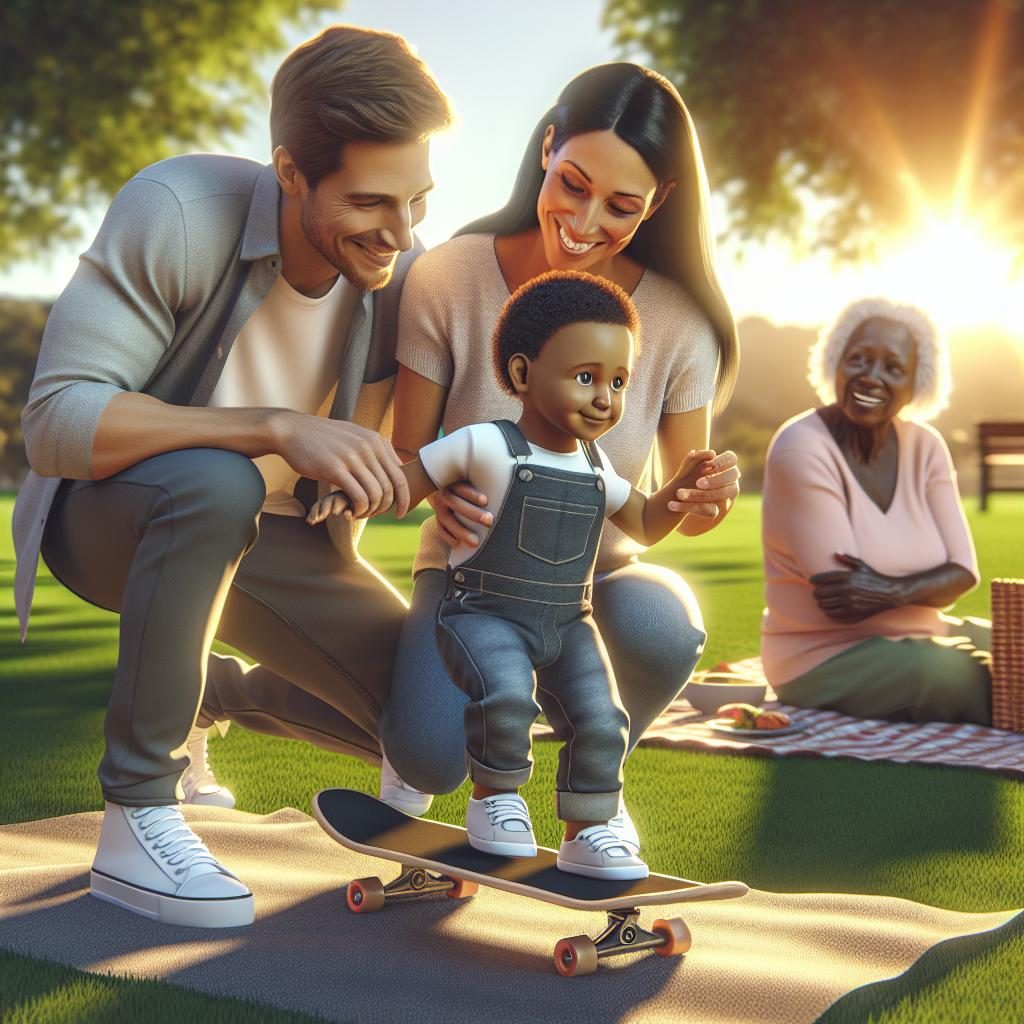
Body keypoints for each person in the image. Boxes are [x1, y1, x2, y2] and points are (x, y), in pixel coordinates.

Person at [12, 25, 452, 927]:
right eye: (372, 202)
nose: (402, 235)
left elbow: (360, 454)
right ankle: (137, 812)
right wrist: (274, 429)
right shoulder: (176, 207)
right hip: (117, 518)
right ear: (290, 173)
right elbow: (55, 424)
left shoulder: (396, 271)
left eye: (418, 202)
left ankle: (216, 690)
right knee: (219, 481)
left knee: (439, 734)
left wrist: (347, 491)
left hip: (272, 539)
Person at [378, 63, 742, 846]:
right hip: (470, 577)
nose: (583, 221)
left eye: (621, 206)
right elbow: (403, 460)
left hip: (592, 578)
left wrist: (700, 497)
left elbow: (662, 513)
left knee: (663, 627)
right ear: (547, 147)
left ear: (660, 203)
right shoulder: (448, 276)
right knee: (431, 757)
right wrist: (435, 490)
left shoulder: (681, 325)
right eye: (573, 183)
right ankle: (456, 751)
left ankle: (592, 800)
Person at [310, 271, 716, 879]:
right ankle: (493, 801)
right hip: (481, 614)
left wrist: (679, 493)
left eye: (619, 381)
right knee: (505, 698)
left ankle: (588, 828)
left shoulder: (595, 463)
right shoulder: (484, 445)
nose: (605, 397)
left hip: (567, 621)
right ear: (523, 376)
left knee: (601, 716)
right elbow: (406, 481)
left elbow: (646, 524)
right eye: (586, 378)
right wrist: (351, 497)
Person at [760, 297, 991, 725]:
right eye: (859, 360)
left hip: (921, 632)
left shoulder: (927, 447)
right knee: (964, 674)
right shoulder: (801, 447)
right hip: (823, 657)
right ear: (836, 362)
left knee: (1011, 646)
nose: (871, 378)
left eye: (893, 368)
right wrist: (927, 586)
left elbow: (963, 572)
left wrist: (887, 589)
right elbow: (843, 599)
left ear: (918, 382)